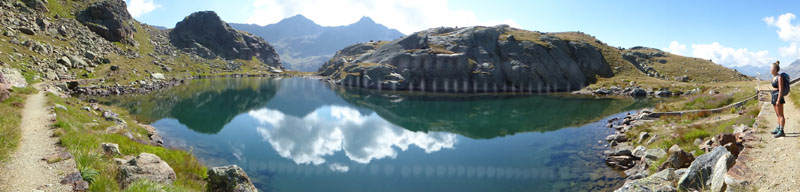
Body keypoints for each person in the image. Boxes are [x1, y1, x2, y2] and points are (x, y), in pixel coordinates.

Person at [770, 61, 787, 137]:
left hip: (778, 97)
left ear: (775, 69)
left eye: (771, 68)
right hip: (774, 96)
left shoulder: (779, 77)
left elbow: (781, 89)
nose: (770, 70)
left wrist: (778, 100)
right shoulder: (774, 77)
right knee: (778, 115)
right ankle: (778, 128)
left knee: (781, 115)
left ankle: (781, 131)